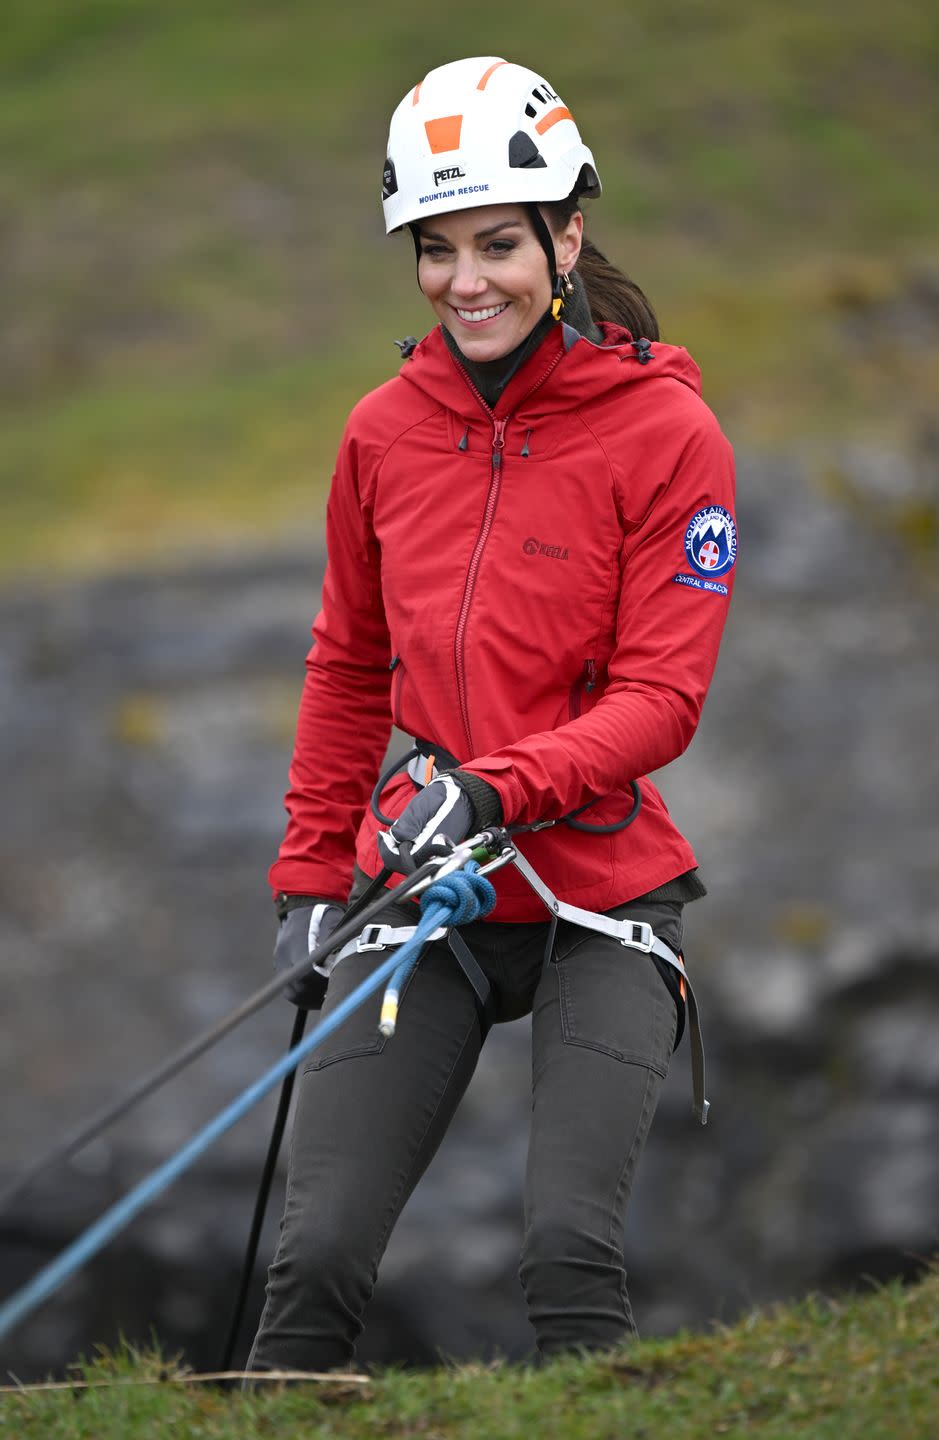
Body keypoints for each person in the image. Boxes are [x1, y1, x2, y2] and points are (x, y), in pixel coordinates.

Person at [248, 55, 736, 1372]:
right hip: (425, 887)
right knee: (318, 1259)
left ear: (566, 236)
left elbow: (662, 699)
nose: (468, 280)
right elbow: (349, 663)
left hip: (600, 895)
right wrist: (308, 874)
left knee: (566, 1255)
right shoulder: (379, 434)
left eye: (501, 244)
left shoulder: (669, 434)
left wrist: (498, 785)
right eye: (438, 247)